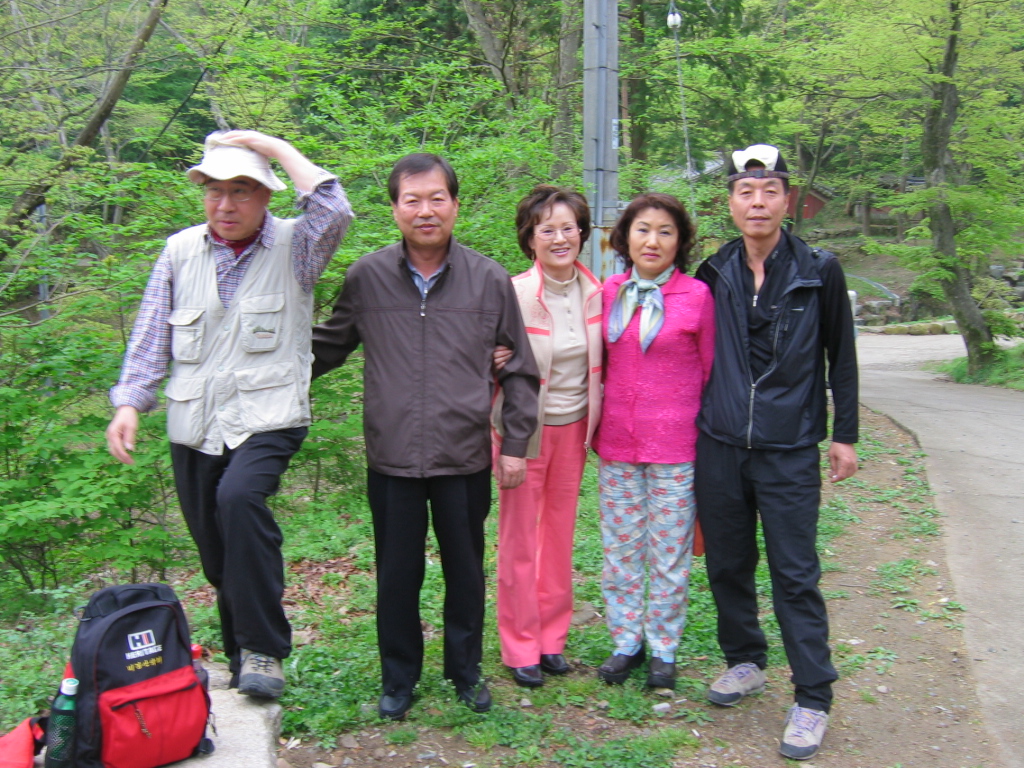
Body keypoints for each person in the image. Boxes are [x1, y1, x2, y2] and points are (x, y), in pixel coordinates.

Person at [105, 130, 354, 699]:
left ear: (265, 194)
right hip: (194, 421)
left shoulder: (296, 246)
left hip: (270, 415)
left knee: (239, 499)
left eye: (241, 190)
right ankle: (243, 655)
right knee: (217, 550)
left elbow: (334, 210)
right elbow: (150, 334)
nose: (225, 204)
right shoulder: (179, 251)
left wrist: (273, 147)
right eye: (214, 191)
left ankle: (264, 650)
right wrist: (129, 403)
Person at [310, 153, 540, 720]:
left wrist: (515, 446)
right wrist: (260, 362)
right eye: (412, 200)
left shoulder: (488, 279)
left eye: (437, 198)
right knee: (397, 576)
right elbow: (326, 348)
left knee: (465, 572)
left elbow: (520, 369)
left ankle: (465, 671)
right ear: (394, 209)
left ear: (455, 205)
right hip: (392, 459)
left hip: (463, 456)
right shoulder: (367, 277)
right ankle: (399, 679)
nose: (425, 211)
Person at [693, 144, 858, 761]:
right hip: (720, 443)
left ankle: (813, 695)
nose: (757, 202)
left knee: (794, 573)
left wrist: (845, 434)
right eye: (746, 192)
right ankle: (745, 660)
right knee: (727, 563)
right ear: (731, 203)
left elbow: (841, 356)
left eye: (769, 192)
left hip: (789, 447)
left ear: (788, 201)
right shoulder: (713, 271)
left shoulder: (820, 270)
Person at [590, 193, 714, 691]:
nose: (653, 240)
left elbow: (712, 371)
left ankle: (664, 647)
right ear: (625, 238)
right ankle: (626, 642)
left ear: (680, 241)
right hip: (618, 444)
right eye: (643, 229)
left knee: (669, 554)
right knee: (620, 551)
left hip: (677, 448)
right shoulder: (609, 291)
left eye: (665, 231)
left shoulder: (698, 296)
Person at [490, 185, 603, 688]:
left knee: (558, 536)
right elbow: (478, 352)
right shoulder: (512, 293)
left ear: (582, 232)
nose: (560, 238)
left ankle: (552, 638)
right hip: (522, 432)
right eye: (547, 229)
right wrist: (491, 360)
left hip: (574, 431)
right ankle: (520, 644)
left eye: (568, 227)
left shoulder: (598, 293)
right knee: (520, 540)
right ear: (530, 238)